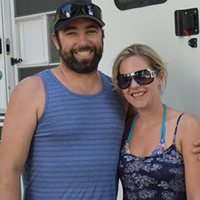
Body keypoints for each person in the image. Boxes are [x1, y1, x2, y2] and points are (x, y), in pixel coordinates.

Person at [0, 1, 200, 200]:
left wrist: (189, 143)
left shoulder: (118, 92)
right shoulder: (31, 91)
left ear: (102, 36)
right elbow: (8, 170)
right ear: (56, 40)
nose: (83, 41)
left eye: (91, 31)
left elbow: (149, 126)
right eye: (71, 33)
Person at [112, 43, 200, 199]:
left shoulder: (186, 126)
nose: (134, 85)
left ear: (160, 77)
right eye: (125, 79)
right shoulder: (124, 127)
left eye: (142, 76)